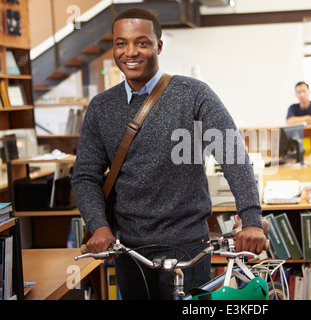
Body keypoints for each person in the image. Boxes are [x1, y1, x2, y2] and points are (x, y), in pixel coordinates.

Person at [71, 8, 266, 299]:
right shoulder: (101, 107)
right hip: (129, 249)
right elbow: (85, 175)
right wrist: (99, 227)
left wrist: (250, 219)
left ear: (158, 46)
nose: (130, 52)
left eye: (142, 42)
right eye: (121, 43)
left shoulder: (194, 94)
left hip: (188, 245)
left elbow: (233, 155)